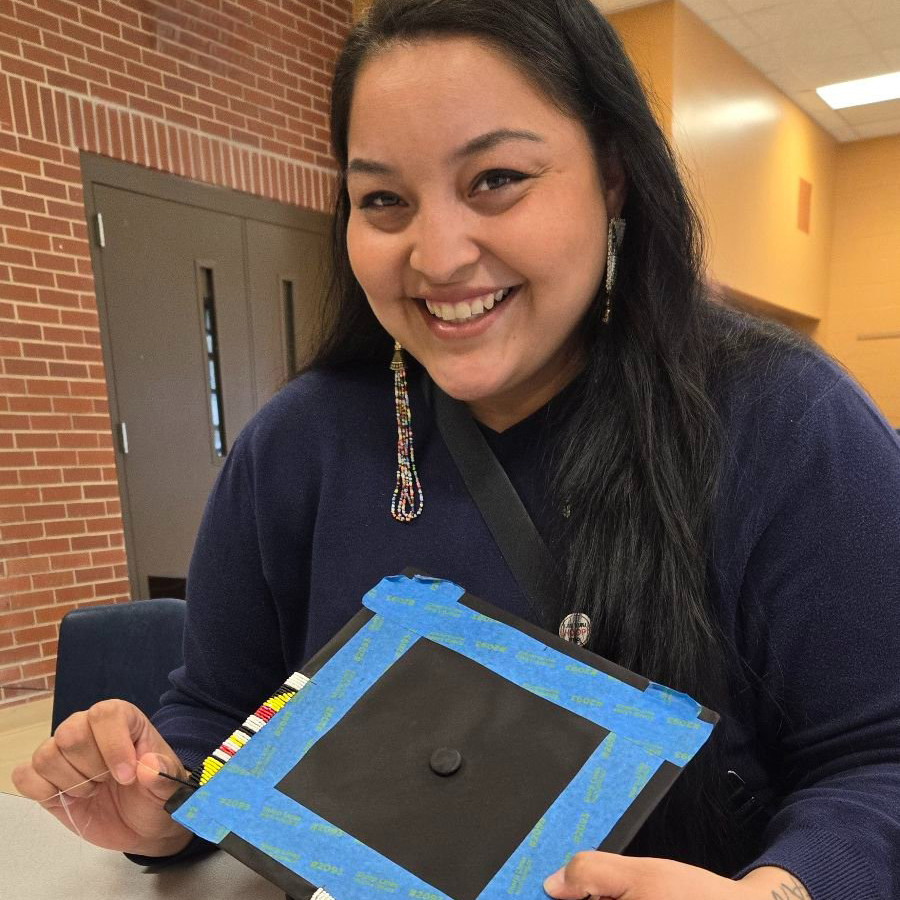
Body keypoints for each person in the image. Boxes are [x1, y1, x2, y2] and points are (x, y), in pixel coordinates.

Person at [14, 1, 900, 897]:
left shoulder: (787, 422)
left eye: (497, 179)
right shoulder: (296, 444)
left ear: (615, 176)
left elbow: (879, 761)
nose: (436, 257)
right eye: (384, 200)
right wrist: (160, 804)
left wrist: (784, 889)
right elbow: (218, 713)